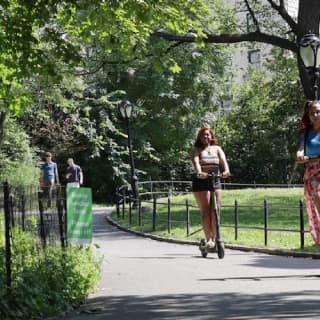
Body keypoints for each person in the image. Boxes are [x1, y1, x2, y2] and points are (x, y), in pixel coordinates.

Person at [191, 126, 230, 249]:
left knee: (216, 210)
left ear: (211, 136)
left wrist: (226, 171)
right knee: (206, 212)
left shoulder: (217, 148)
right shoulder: (196, 149)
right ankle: (209, 239)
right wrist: (199, 172)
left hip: (215, 179)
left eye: (208, 135)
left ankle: (216, 237)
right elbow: (196, 162)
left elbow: (223, 161)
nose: (205, 137)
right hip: (201, 181)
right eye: (203, 135)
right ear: (199, 137)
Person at [296, 100, 320, 245]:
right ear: (308, 115)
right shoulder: (305, 133)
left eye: (318, 112)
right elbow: (300, 150)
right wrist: (300, 155)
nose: (315, 115)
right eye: (312, 113)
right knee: (316, 201)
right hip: (311, 172)